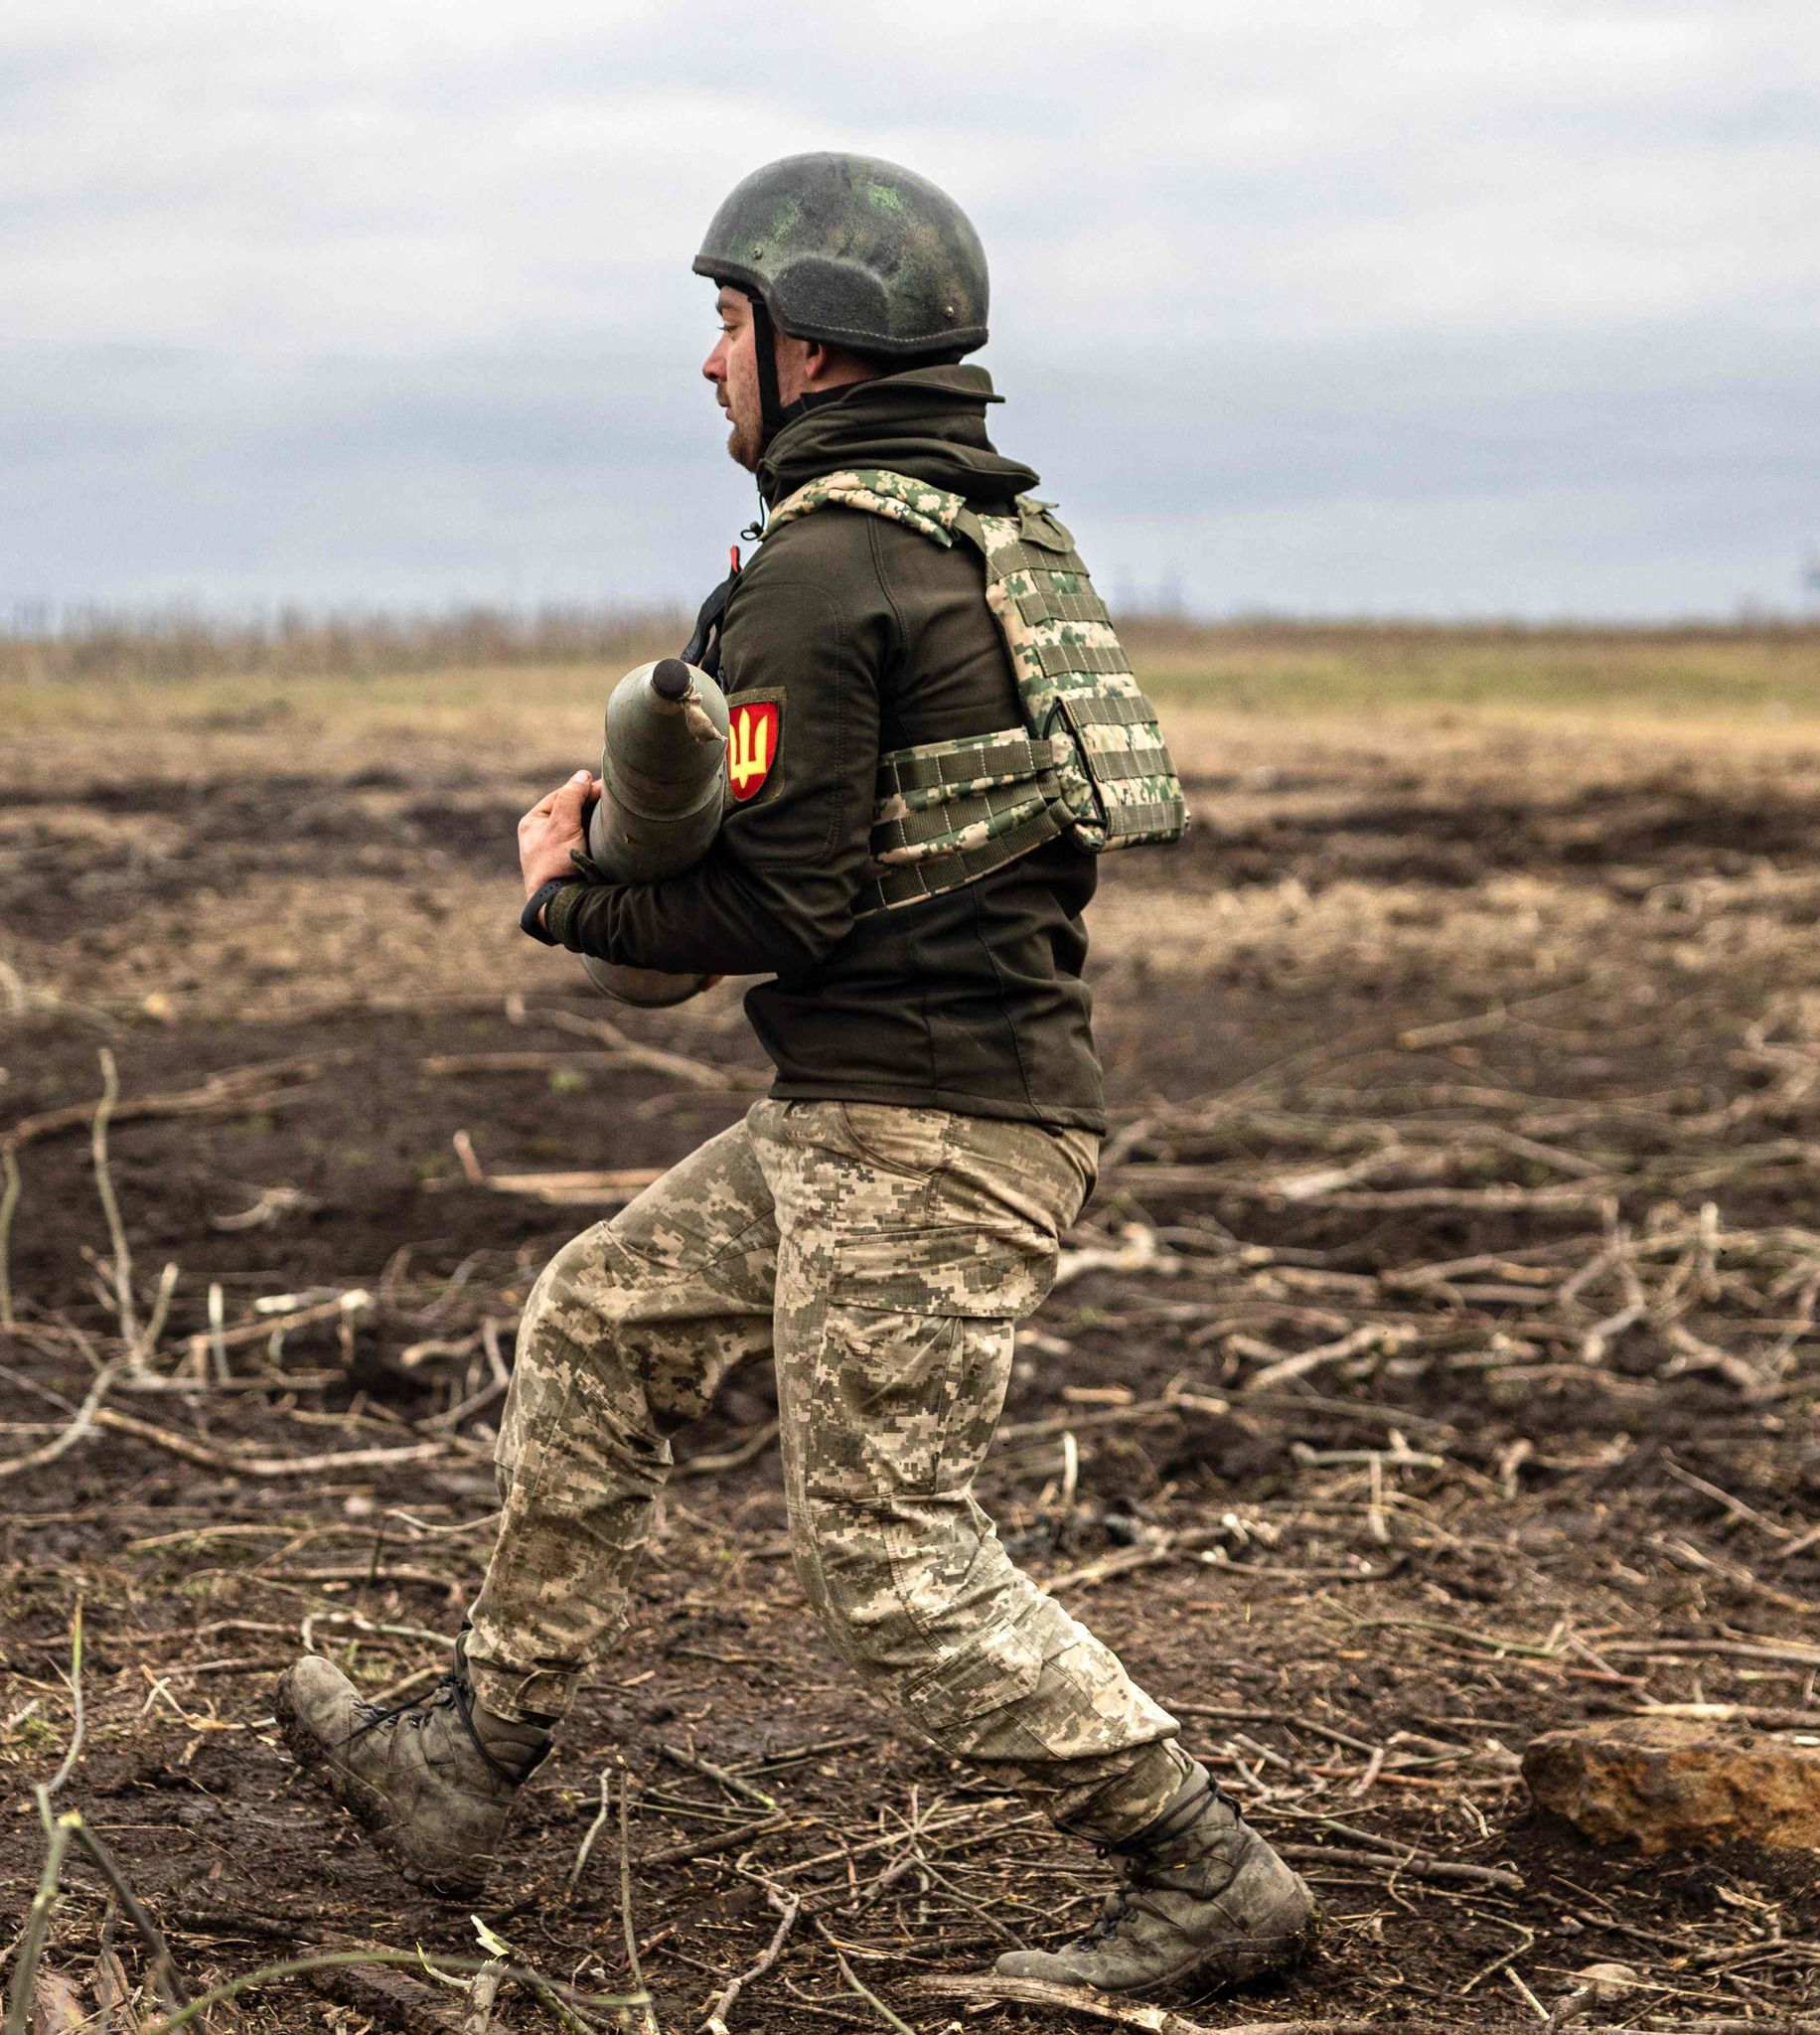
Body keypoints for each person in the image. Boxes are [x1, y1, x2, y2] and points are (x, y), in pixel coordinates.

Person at [277, 151, 1313, 2002]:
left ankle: (1204, 1873)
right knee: (599, 1316)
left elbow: (770, 901)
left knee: (893, 1554)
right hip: (888, 1106)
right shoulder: (984, 541)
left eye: (727, 325)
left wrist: (567, 901)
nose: (707, 366)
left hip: (922, 1128)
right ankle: (461, 1764)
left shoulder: (825, 574)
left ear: (814, 352)